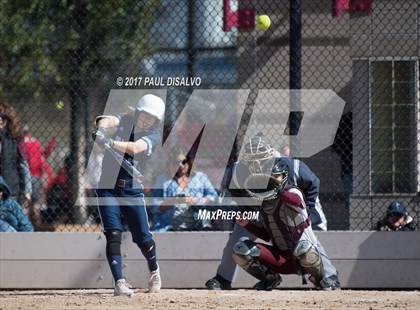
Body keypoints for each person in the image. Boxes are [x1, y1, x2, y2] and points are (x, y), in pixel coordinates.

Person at [205, 134, 331, 290]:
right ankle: (226, 279)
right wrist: (248, 216)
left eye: (262, 158)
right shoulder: (237, 171)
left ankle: (328, 277)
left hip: (292, 214)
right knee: (237, 242)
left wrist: (309, 212)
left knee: (308, 236)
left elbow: (312, 184)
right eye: (252, 159)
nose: (257, 164)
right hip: (262, 214)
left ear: (271, 156)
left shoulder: (288, 167)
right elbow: (238, 198)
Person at [92, 94, 165, 296]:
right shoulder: (125, 121)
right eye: (144, 115)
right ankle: (119, 282)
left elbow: (134, 148)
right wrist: (101, 129)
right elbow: (105, 120)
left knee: (143, 237)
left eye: (151, 118)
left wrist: (110, 142)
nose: (146, 120)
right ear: (138, 112)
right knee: (113, 233)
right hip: (107, 187)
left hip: (131, 190)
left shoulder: (153, 136)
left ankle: (154, 270)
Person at [233, 159, 340, 290]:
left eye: (277, 176)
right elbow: (267, 236)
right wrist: (247, 224)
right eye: (270, 178)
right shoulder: (263, 203)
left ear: (284, 177)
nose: (274, 180)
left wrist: (280, 192)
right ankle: (270, 279)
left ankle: (321, 279)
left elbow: (295, 200)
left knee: (304, 248)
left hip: (304, 259)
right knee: (241, 249)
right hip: (282, 259)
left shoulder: (294, 192)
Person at [159, 149, 218, 231]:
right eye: (176, 162)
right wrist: (173, 200)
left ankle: (205, 229)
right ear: (170, 164)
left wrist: (195, 200)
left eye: (183, 162)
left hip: (197, 222)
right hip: (170, 226)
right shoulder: (163, 179)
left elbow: (214, 197)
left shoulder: (200, 177)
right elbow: (156, 207)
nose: (180, 165)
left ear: (189, 162)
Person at [22, 125, 54, 229]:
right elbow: (42, 157)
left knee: (25, 202)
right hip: (36, 175)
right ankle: (37, 224)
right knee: (35, 203)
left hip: (24, 175)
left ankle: (24, 225)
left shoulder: (20, 143)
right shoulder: (35, 142)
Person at [0, 103, 32, 205]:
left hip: (10, 190)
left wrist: (27, 191)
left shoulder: (16, 139)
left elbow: (23, 165)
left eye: (2, 118)